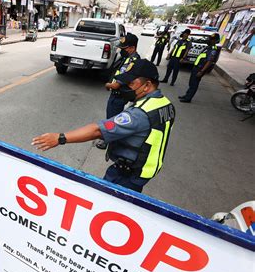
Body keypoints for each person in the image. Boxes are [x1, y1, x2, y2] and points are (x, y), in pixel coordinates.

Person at [32, 59, 176, 192]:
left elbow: (97, 130)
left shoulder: (139, 114)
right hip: (144, 171)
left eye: (131, 83)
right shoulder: (165, 104)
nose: (126, 86)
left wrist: (60, 138)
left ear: (147, 85)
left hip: (126, 175)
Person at [95, 33, 140, 150]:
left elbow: (119, 83)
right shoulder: (128, 58)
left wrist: (109, 85)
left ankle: (108, 142)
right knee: (112, 118)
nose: (121, 50)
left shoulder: (133, 61)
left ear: (132, 48)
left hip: (119, 95)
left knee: (112, 120)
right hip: (117, 94)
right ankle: (110, 139)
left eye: (124, 48)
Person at [179, 33, 221, 103]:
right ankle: (187, 95)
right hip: (196, 67)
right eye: (210, 39)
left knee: (194, 84)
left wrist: (202, 71)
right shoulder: (208, 47)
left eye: (211, 39)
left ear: (215, 41)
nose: (209, 40)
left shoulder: (213, 50)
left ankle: (188, 98)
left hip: (200, 69)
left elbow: (209, 61)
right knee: (191, 83)